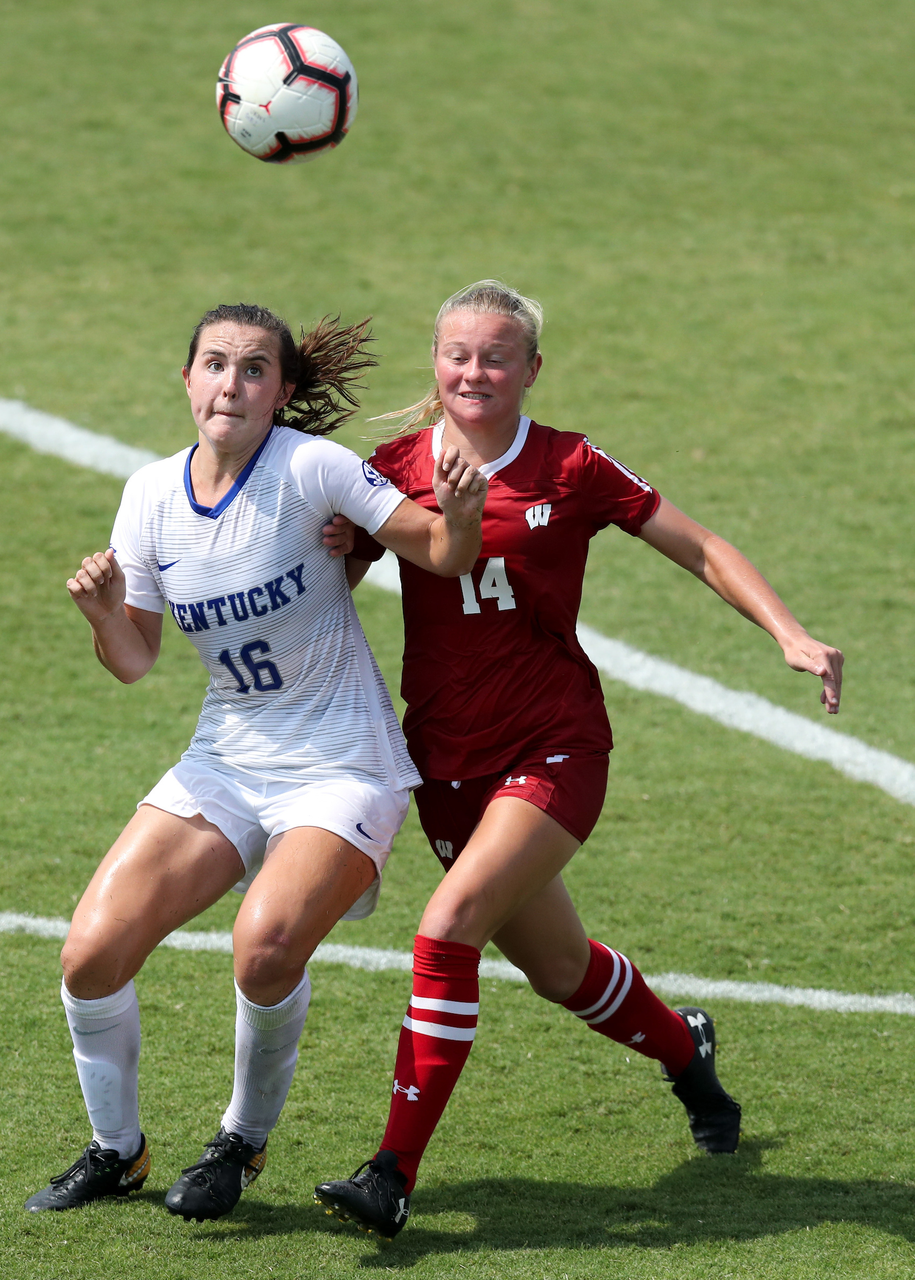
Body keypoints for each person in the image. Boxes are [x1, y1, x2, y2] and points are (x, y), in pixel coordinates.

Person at [314, 280, 843, 1239]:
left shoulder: (569, 464)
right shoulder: (389, 467)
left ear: (531, 369)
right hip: (442, 761)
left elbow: (702, 546)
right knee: (561, 971)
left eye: (497, 357)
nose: (474, 372)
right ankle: (686, 1050)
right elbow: (336, 580)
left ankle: (390, 1171)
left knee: (446, 930)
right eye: (458, 355)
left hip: (554, 744)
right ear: (435, 363)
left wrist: (789, 633)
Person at [24, 303, 487, 1217]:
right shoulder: (150, 495)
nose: (230, 383)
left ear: (280, 392)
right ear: (186, 379)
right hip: (228, 758)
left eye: (253, 370)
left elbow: (438, 551)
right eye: (215, 364)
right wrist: (106, 612)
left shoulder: (312, 468)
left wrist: (462, 514)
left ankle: (240, 1142)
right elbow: (135, 660)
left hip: (342, 763)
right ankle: (117, 1150)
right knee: (88, 957)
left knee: (264, 949)